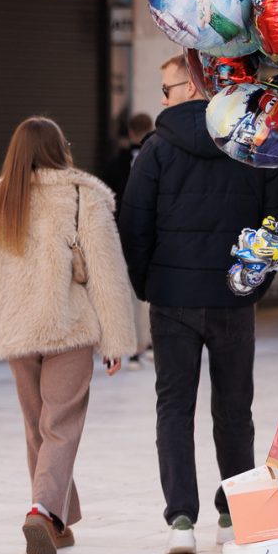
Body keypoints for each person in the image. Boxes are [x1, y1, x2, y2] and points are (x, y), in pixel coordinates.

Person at [119, 54, 278, 554]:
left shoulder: (155, 151)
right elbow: (277, 224)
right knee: (235, 408)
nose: (162, 98)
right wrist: (253, 284)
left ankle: (180, 520)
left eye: (167, 88)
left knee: (174, 407)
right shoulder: (250, 146)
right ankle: (233, 514)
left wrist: (149, 284)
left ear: (192, 87)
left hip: (172, 300)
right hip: (232, 300)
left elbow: (133, 227)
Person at [0, 116, 136, 554]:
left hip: (16, 331)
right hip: (68, 326)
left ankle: (56, 521)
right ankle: (42, 511)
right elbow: (107, 274)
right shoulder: (82, 195)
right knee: (60, 425)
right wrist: (116, 340)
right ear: (60, 149)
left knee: (38, 426)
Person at [101, 112, 155, 370]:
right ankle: (150, 343)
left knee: (129, 292)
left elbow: (108, 203)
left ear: (130, 132)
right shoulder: (161, 157)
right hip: (155, 235)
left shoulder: (115, 164)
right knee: (152, 290)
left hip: (123, 236)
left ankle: (134, 349)